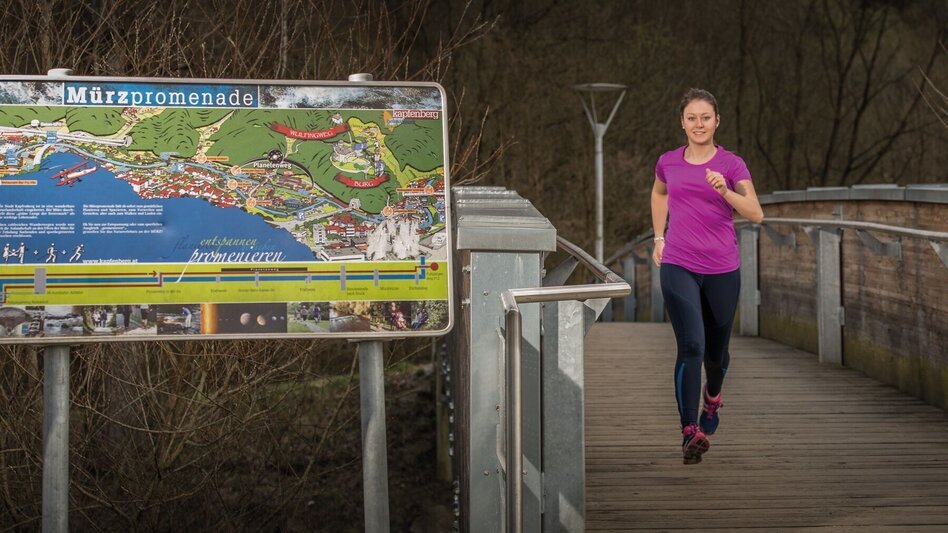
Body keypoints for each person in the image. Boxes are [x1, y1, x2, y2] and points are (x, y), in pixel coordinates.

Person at [651, 88, 764, 465]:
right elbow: (659, 193)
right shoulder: (668, 162)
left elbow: (756, 213)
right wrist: (659, 237)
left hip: (722, 270)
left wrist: (726, 192)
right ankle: (689, 431)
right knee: (692, 346)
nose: (698, 124)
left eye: (705, 117)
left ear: (717, 121)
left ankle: (712, 399)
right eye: (691, 118)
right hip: (678, 264)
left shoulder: (732, 165)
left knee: (716, 357)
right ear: (682, 123)